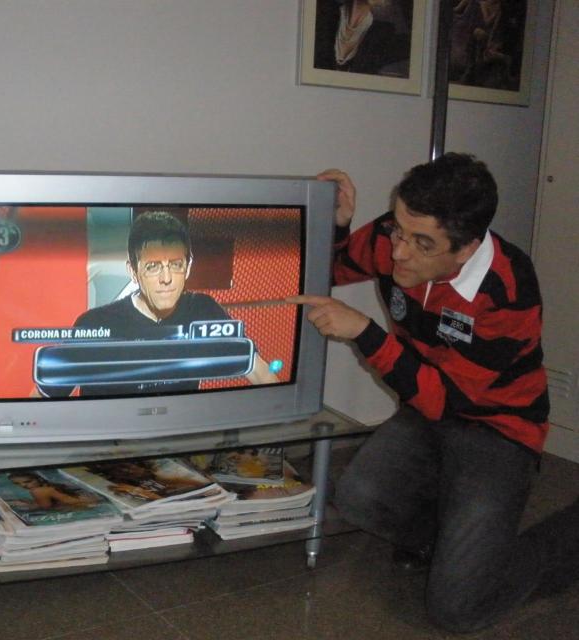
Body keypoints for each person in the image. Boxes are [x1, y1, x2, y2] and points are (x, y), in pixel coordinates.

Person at [295, 153, 578, 633]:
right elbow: (331, 269)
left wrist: (366, 332)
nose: (399, 252)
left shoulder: (507, 289)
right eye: (399, 232)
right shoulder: (397, 235)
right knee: (358, 496)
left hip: (499, 428)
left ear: (466, 248)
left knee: (459, 610)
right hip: (427, 410)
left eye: (421, 243)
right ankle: (451, 542)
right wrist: (338, 225)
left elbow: (450, 400)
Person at [38, 210, 278, 396]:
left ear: (189, 266)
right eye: (152, 267)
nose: (166, 279)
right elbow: (46, 397)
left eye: (175, 264)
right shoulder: (94, 323)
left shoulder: (205, 310)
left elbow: (261, 373)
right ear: (133, 272)